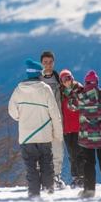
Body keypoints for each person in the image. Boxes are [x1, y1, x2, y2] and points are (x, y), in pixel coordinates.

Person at [9, 58, 63, 198]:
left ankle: (33, 192)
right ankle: (49, 188)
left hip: (26, 136)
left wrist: (23, 118)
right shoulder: (45, 89)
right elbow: (54, 113)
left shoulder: (18, 90)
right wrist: (57, 135)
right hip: (44, 134)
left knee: (30, 165)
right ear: (39, 74)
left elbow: (12, 111)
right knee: (46, 161)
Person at [68, 70, 101, 197]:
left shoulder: (81, 96)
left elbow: (70, 106)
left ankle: (89, 189)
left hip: (87, 136)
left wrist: (75, 94)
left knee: (89, 163)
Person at [39, 50, 65, 189]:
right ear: (41, 63)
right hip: (41, 119)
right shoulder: (37, 80)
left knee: (57, 148)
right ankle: (42, 176)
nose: (48, 65)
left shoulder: (60, 79)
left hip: (57, 119)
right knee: (41, 149)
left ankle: (55, 176)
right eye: (45, 63)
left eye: (50, 62)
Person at [58, 69, 85, 188]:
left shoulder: (79, 90)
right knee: (71, 154)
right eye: (64, 79)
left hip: (78, 127)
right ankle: (76, 176)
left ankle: (83, 176)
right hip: (66, 128)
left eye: (68, 78)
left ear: (72, 78)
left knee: (79, 153)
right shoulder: (61, 93)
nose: (66, 81)